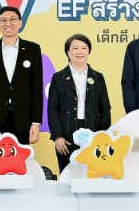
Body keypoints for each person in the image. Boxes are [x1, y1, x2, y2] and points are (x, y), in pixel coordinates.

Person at [0, 6, 44, 144]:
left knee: (21, 156)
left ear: (20, 23)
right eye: (3, 20)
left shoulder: (32, 49)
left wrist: (36, 122)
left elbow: (37, 87)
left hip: (23, 120)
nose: (8, 24)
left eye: (13, 19)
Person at [47, 34, 112, 172]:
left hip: (93, 133)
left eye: (84, 48)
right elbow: (52, 108)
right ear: (68, 52)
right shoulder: (58, 77)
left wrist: (101, 136)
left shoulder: (98, 77)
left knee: (92, 173)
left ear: (89, 51)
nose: (80, 52)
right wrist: (58, 136)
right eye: (75, 48)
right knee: (67, 173)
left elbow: (105, 109)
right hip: (67, 135)